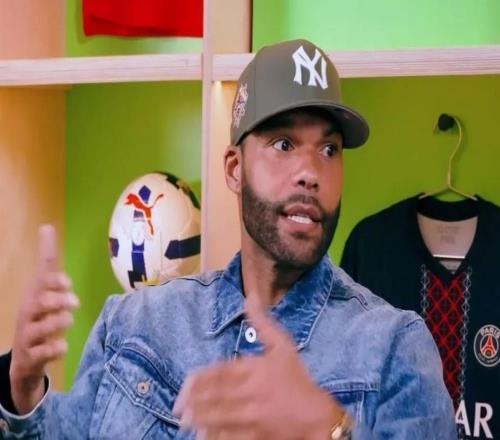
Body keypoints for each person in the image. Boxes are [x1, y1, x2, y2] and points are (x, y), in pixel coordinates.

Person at [0, 39, 457, 440]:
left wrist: (328, 428)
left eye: (329, 149)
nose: (310, 172)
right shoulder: (131, 325)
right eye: (284, 144)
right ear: (234, 169)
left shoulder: (396, 349)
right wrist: (22, 387)